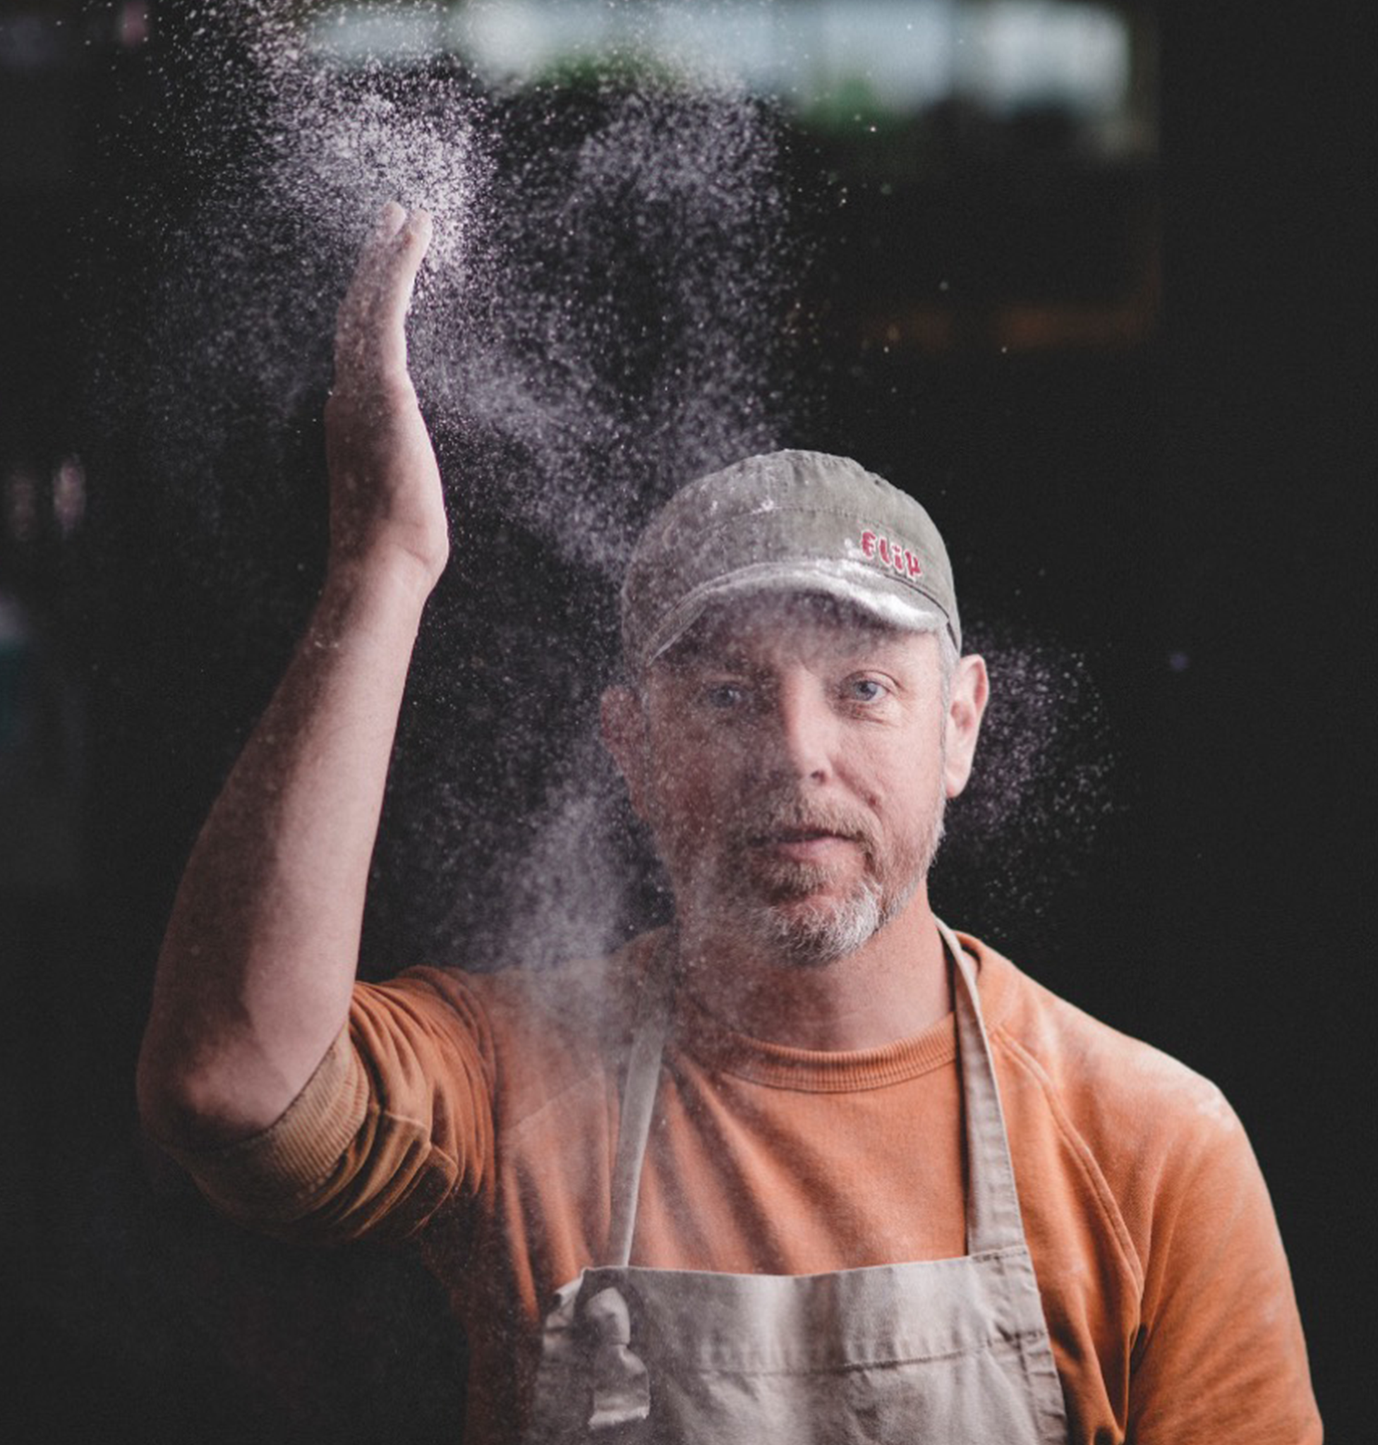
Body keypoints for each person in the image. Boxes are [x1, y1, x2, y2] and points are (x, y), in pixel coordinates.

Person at [137, 204, 1321, 1445]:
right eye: (725, 695)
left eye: (863, 687)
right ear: (633, 750)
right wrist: (381, 565)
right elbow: (230, 1085)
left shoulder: (1146, 1145)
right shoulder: (509, 1078)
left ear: (958, 725)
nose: (796, 750)